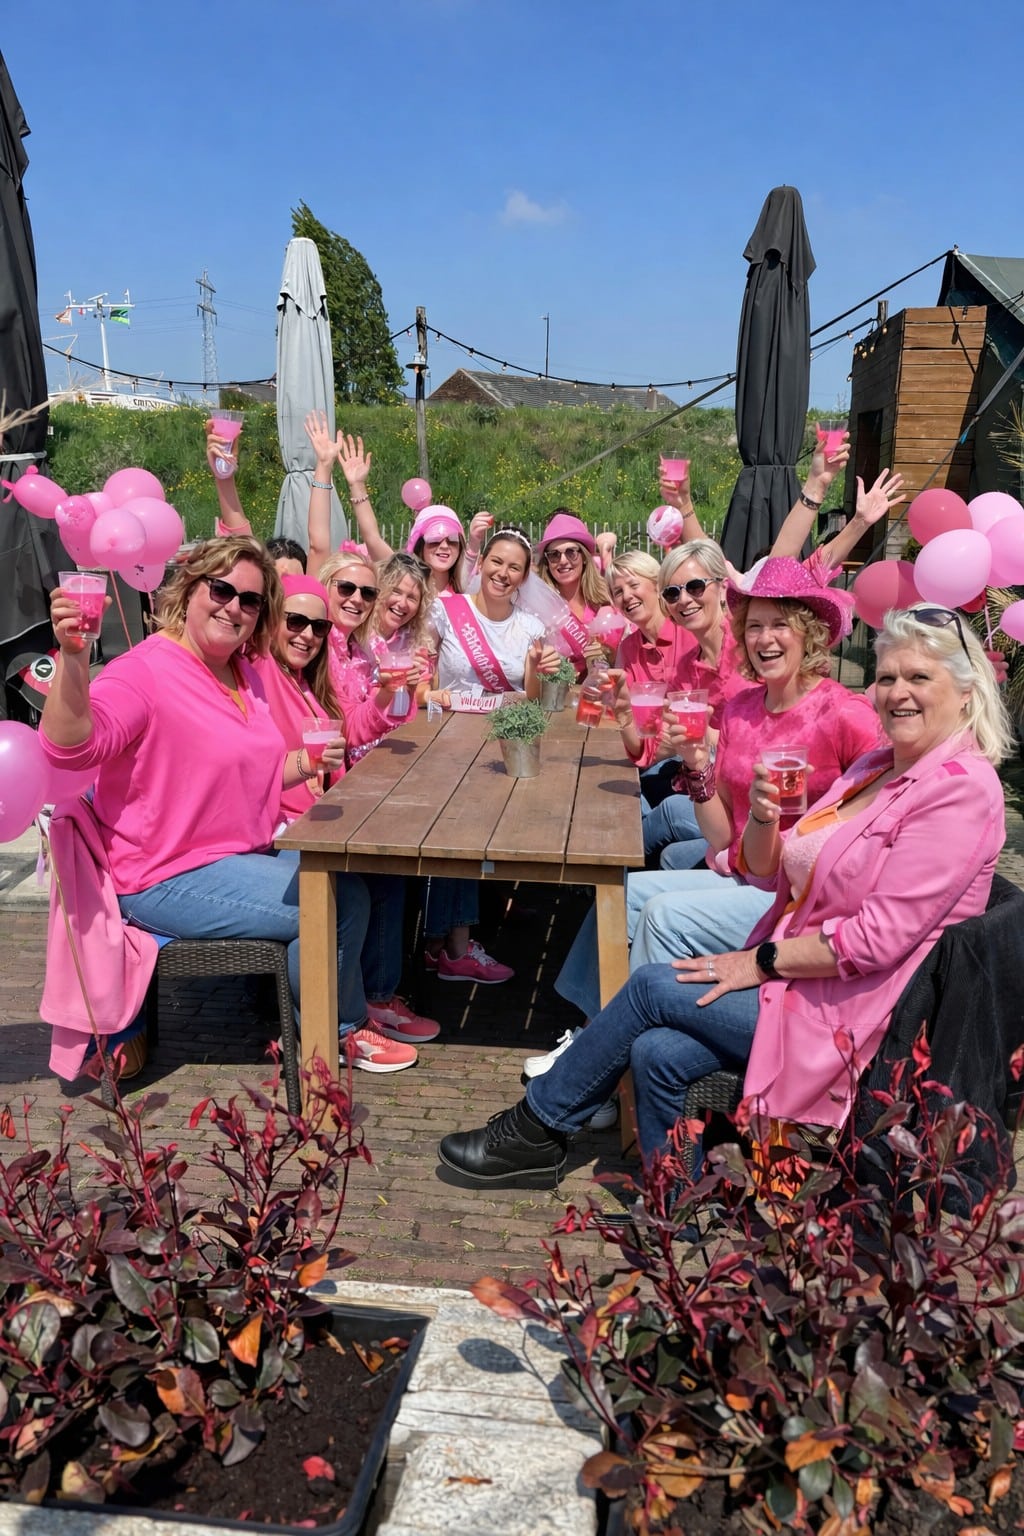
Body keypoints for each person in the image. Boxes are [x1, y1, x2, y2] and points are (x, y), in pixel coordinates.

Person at [438, 604, 1011, 1182]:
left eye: (919, 678)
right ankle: (674, 1204)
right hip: (811, 983)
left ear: (966, 692)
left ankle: (535, 1128)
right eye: (887, 677)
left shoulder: (958, 791)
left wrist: (758, 962)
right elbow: (768, 873)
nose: (895, 693)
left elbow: (875, 941)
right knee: (656, 1050)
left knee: (652, 986)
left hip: (858, 1015)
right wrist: (763, 817)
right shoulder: (876, 765)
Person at [37, 535, 411, 1076]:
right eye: (222, 589)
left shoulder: (244, 673)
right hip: (162, 875)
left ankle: (308, 1030)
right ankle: (337, 1035)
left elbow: (255, 772)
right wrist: (73, 658)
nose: (234, 606)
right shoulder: (144, 672)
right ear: (190, 590)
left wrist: (305, 765)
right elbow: (72, 747)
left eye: (251, 600)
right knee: (335, 902)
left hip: (241, 855)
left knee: (347, 876)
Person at [551, 556, 881, 1031]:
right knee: (620, 892)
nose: (764, 639)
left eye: (780, 626)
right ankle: (593, 1028)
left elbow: (895, 793)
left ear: (808, 633)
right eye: (755, 627)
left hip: (804, 894)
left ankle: (621, 1043)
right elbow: (723, 835)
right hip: (748, 869)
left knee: (662, 912)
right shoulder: (743, 710)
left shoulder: (844, 712)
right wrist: (696, 761)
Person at [252, 572, 438, 1053]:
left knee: (389, 871)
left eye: (316, 628)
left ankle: (373, 999)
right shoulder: (257, 668)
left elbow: (347, 731)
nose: (307, 635)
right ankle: (342, 1027)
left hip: (318, 814)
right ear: (272, 621)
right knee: (345, 893)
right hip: (278, 830)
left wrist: (384, 694)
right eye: (295, 621)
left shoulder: (305, 680)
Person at [533, 511, 611, 677]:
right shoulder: (537, 609)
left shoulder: (606, 602)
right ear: (546, 562)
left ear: (584, 557)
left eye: (571, 552)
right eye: (554, 555)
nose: (563, 560)